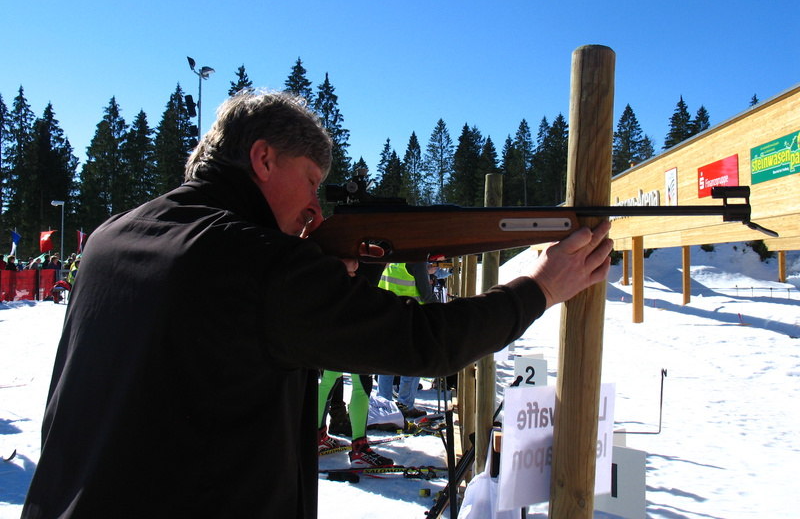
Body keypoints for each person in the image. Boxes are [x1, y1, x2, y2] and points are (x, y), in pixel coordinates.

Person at [21, 90, 612, 519]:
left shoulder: (111, 238)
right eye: (310, 180)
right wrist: (540, 287)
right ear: (263, 159)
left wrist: (324, 280)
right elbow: (426, 343)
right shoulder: (260, 263)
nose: (316, 209)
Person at [376, 262, 438, 419]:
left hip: (387, 313)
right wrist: (442, 311)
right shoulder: (416, 259)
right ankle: (405, 405)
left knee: (387, 363)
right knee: (413, 362)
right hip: (411, 316)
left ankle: (384, 404)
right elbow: (426, 295)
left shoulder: (388, 257)